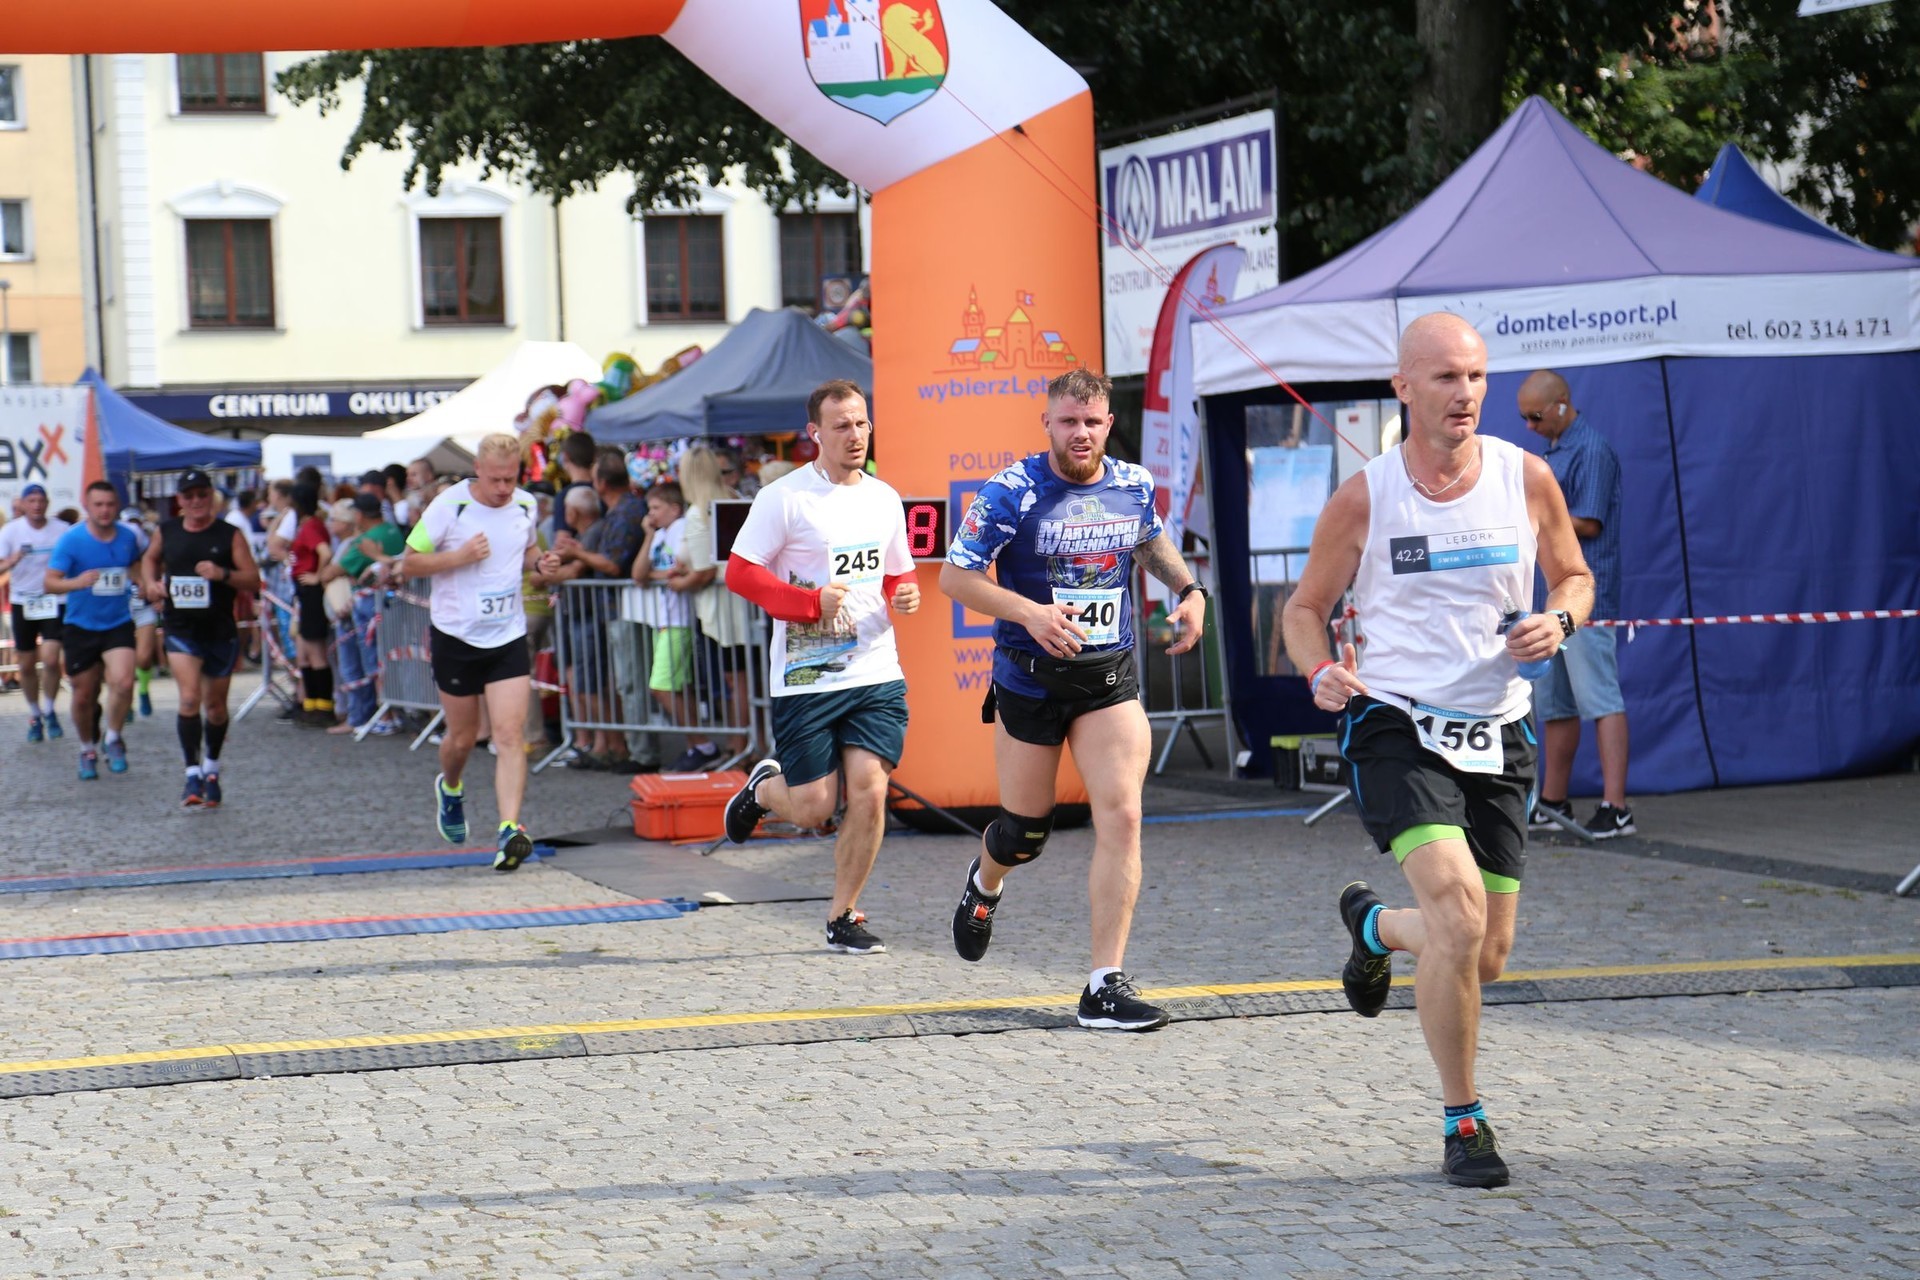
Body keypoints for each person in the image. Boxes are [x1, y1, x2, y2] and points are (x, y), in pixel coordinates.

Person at [1282, 312, 1593, 1189]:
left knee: (1484, 953)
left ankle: (1375, 927)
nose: (1466, 394)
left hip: (1499, 729)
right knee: (1457, 917)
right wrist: (1319, 670)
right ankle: (1465, 1122)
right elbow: (1303, 609)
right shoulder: (1367, 496)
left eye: (1476, 376)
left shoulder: (1526, 477)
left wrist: (1560, 619)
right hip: (1398, 726)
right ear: (1404, 387)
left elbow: (1576, 576)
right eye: (1447, 377)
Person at [939, 368, 1210, 1032]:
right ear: (1048, 424)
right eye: (1068, 421)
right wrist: (1028, 613)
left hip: (1107, 679)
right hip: (1030, 680)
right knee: (1024, 835)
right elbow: (955, 577)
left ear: (1108, 424)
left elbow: (1148, 540)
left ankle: (1103, 984)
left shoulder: (1132, 484)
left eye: (1091, 422)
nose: (1080, 433)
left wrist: (1189, 590)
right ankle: (985, 882)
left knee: (1123, 816)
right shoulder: (1011, 491)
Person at [721, 379, 920, 955]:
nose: (855, 435)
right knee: (813, 809)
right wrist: (809, 604)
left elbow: (896, 572)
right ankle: (764, 792)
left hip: (874, 671)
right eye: (841, 426)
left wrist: (904, 593)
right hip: (807, 675)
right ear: (815, 433)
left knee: (871, 791)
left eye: (861, 423)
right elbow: (741, 573)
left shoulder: (883, 497)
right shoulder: (784, 497)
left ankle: (844, 915)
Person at [401, 432, 553, 871]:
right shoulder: (449, 506)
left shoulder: (525, 505)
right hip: (456, 636)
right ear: (478, 471)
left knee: (509, 736)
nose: (504, 488)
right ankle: (450, 788)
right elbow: (409, 562)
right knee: (463, 739)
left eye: (511, 479)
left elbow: (527, 550)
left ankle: (509, 830)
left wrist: (541, 564)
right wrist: (460, 556)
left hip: (507, 635)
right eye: (495, 480)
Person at [1517, 370, 1633, 838]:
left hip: (1587, 601)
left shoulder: (1591, 449)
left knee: (1600, 700)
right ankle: (1552, 802)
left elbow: (1589, 521)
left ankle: (1616, 808)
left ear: (1562, 404)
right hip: (1550, 600)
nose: (1530, 426)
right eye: (1524, 418)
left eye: (1535, 416)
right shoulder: (1555, 449)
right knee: (1556, 705)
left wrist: (1529, 517)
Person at [140, 469, 261, 808]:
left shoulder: (229, 534)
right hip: (181, 627)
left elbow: (253, 580)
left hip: (219, 630)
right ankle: (191, 772)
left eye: (202, 495)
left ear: (212, 497)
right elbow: (149, 559)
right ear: (179, 500)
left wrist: (223, 573)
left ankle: (212, 768)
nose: (196, 501)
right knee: (190, 698)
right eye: (189, 496)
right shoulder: (167, 531)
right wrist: (150, 583)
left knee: (216, 708)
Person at [44, 481, 146, 780]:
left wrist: (143, 583)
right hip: (81, 625)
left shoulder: (128, 536)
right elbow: (50, 582)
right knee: (83, 696)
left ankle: (113, 738)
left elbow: (135, 565)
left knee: (124, 683)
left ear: (117, 506)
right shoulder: (72, 540)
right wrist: (76, 583)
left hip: (118, 622)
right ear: (87, 506)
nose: (104, 510)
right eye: (98, 505)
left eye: (110, 504)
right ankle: (87, 748)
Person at [630, 481, 705, 768]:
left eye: (656, 508)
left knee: (661, 687)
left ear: (674, 509)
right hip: (663, 620)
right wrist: (649, 535)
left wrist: (658, 575)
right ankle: (696, 745)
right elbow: (639, 574)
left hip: (679, 620)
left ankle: (702, 744)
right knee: (677, 688)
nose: (650, 514)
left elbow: (683, 570)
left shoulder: (683, 527)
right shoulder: (660, 533)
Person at [323, 492, 405, 736]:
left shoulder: (365, 540)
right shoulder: (392, 531)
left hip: (365, 608)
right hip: (391, 607)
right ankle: (387, 713)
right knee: (383, 659)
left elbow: (329, 573)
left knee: (365, 661)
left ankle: (369, 716)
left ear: (358, 515)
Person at [0, 483, 73, 741]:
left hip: (54, 599)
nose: (37, 505)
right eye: (31, 501)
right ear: (23, 504)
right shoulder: (11, 531)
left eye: (41, 501)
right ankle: (34, 713)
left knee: (52, 659)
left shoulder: (62, 530)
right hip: (23, 601)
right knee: (26, 663)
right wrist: (12, 560)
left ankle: (50, 709)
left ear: (47, 503)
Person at [287, 483, 336, 727]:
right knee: (305, 651)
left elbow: (325, 552)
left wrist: (317, 575)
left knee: (315, 651)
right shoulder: (310, 525)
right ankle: (311, 704)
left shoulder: (311, 527)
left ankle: (323, 706)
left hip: (311, 591)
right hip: (304, 592)